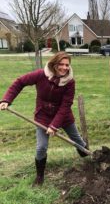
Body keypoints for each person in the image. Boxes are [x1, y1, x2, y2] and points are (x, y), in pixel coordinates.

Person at [0, 52, 88, 186]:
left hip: (63, 117)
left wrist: (54, 125)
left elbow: (65, 105)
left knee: (78, 142)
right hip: (42, 117)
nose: (64, 68)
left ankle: (90, 164)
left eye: (67, 65)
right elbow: (20, 82)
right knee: (41, 147)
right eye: (61, 64)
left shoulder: (70, 82)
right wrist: (7, 99)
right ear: (54, 64)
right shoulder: (41, 74)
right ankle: (40, 176)